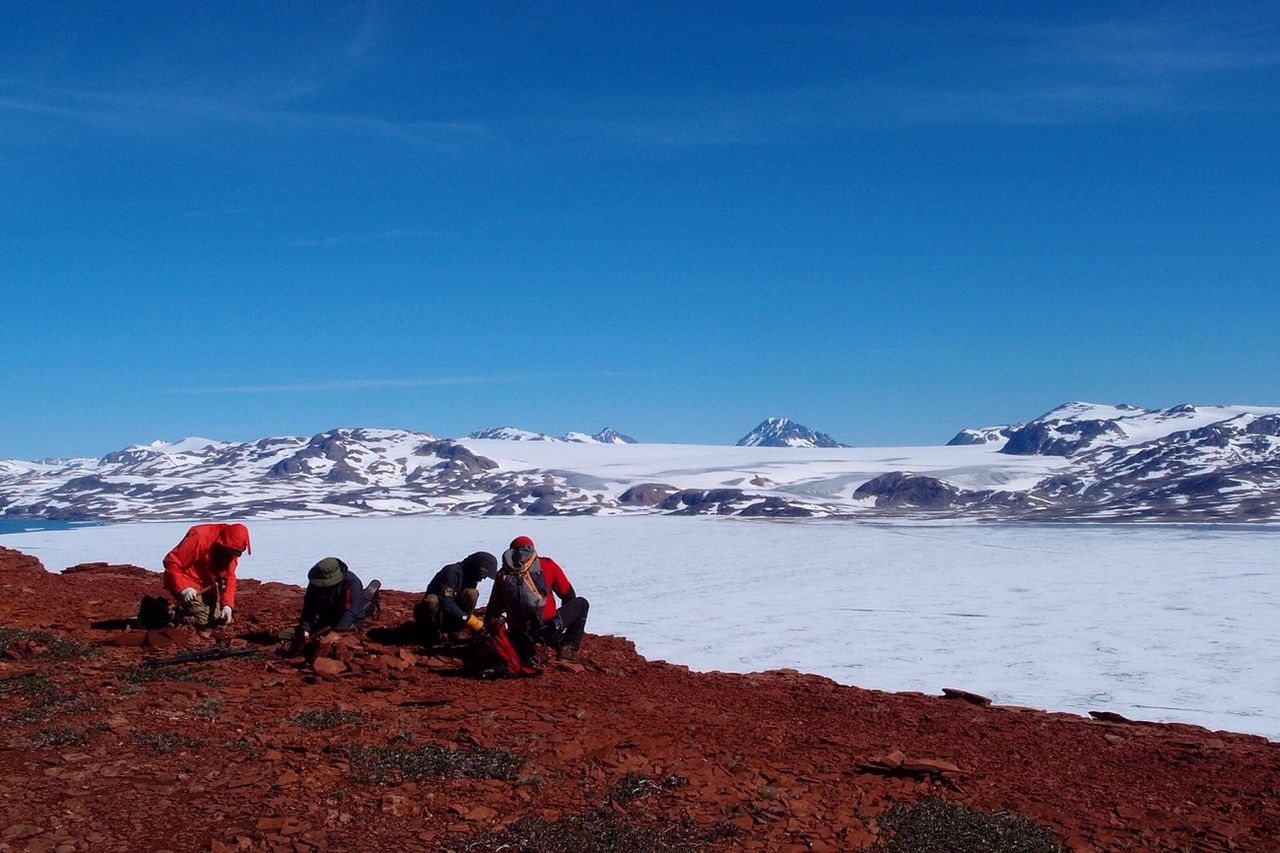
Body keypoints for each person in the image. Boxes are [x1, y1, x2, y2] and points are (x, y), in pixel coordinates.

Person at [484, 535, 589, 664]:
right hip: (548, 628)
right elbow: (568, 595)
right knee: (582, 603)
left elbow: (493, 609)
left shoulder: (503, 574)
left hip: (519, 635)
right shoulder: (547, 565)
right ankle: (567, 647)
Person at [162, 522, 251, 628]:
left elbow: (229, 577)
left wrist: (227, 605)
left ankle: (185, 609)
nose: (233, 556)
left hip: (207, 584)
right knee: (203, 619)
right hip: (186, 580)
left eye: (237, 554)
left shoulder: (232, 549)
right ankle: (165, 615)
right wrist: (184, 589)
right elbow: (172, 562)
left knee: (218, 619)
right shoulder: (200, 537)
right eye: (230, 552)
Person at [288, 557, 380, 654]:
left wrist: (334, 634)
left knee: (324, 647)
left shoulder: (351, 583)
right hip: (325, 622)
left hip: (348, 624)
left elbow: (349, 613)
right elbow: (308, 609)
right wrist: (305, 629)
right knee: (287, 635)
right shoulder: (316, 582)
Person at [414, 551, 498, 645]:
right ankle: (431, 633)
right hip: (436, 614)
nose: (482, 579)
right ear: (475, 568)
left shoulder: (471, 577)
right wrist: (469, 620)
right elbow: (446, 603)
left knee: (472, 593)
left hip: (450, 617)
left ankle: (454, 630)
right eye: (482, 575)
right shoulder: (451, 573)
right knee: (431, 601)